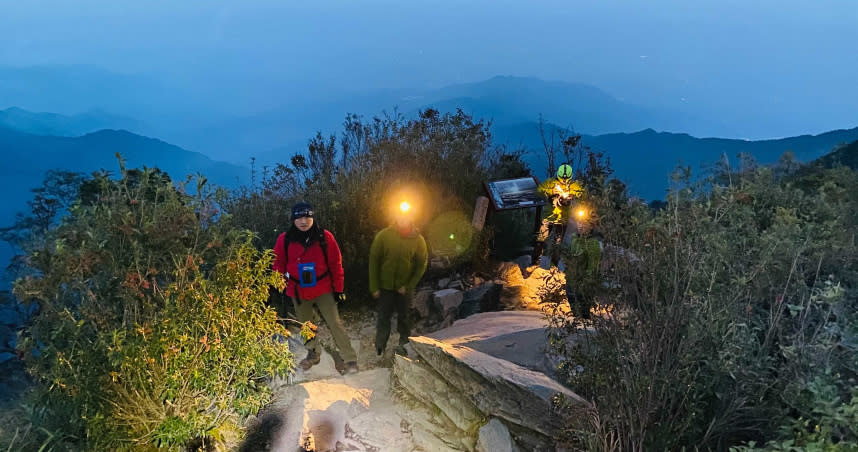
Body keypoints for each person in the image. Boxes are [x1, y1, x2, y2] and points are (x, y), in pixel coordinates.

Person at [273, 201, 358, 374]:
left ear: (312, 217)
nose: (303, 221)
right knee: (305, 324)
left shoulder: (324, 237)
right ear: (293, 220)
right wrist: (280, 282)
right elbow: (278, 263)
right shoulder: (285, 239)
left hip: (323, 287)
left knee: (334, 323)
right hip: (298, 290)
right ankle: (313, 353)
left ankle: (350, 359)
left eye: (307, 217)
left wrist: (338, 288)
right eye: (299, 218)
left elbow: (336, 263)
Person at [369, 200, 428, 356]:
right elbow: (374, 261)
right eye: (400, 216)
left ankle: (404, 345)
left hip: (404, 289)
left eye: (406, 216)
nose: (403, 219)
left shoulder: (418, 240)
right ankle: (380, 347)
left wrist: (408, 286)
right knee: (383, 318)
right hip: (385, 286)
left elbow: (421, 265)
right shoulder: (384, 236)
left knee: (405, 318)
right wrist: (374, 286)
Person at [535, 164, 583, 265]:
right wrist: (551, 194)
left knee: (558, 242)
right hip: (548, 217)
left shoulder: (573, 185)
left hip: (562, 219)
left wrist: (572, 195)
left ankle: (554, 265)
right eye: (562, 178)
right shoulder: (551, 183)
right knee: (541, 239)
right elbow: (539, 191)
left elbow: (582, 193)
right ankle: (535, 261)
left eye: (566, 179)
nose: (564, 181)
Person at [563, 208, 602, 320]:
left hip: (584, 282)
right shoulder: (574, 239)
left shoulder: (593, 243)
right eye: (579, 222)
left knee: (583, 312)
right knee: (574, 307)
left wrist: (587, 282)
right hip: (572, 279)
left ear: (591, 226)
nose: (580, 226)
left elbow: (593, 265)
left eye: (584, 223)